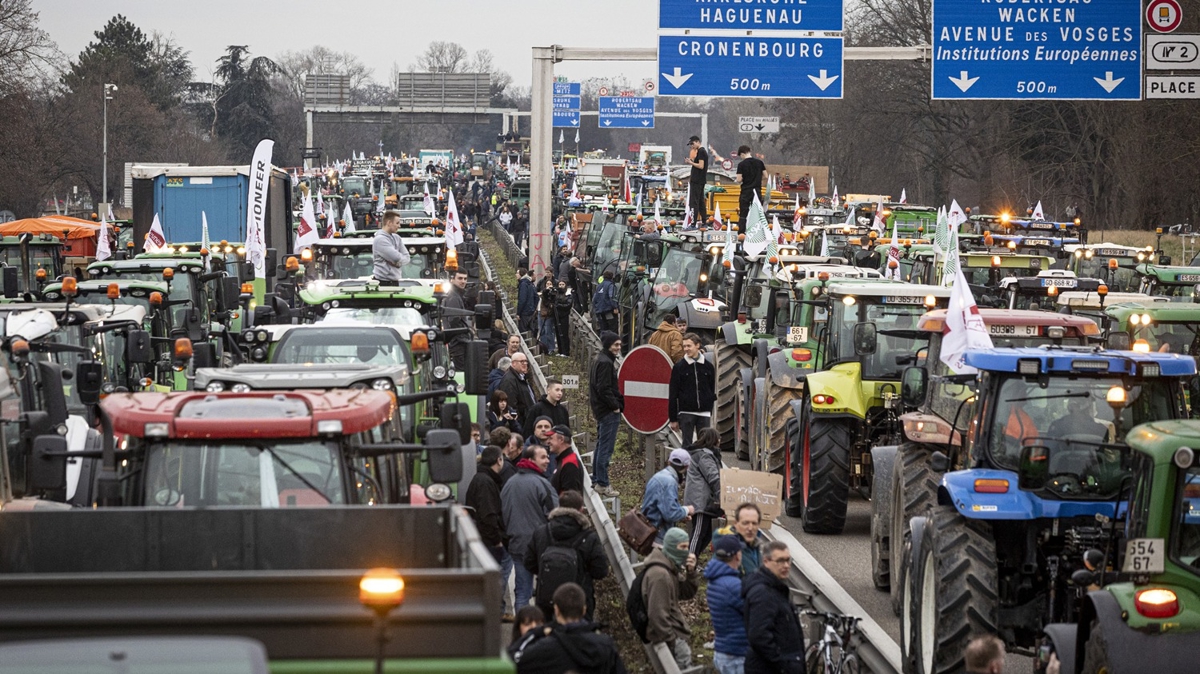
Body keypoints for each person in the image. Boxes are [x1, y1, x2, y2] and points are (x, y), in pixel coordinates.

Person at [524, 490, 608, 621]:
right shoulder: (589, 537)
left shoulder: (542, 532)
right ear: (581, 510)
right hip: (579, 602)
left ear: (559, 507)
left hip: (547, 601)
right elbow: (601, 570)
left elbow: (529, 562)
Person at [514, 583, 627, 674]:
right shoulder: (605, 645)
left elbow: (512, 659)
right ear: (584, 610)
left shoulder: (546, 647)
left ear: (556, 610)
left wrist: (537, 631)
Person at [501, 445, 559, 611]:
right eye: (543, 457)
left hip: (516, 544)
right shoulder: (542, 484)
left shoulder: (509, 484)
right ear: (531, 460)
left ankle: (522, 630)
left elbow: (503, 514)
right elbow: (554, 514)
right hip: (541, 546)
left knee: (522, 592)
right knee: (546, 593)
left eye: (548, 456)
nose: (548, 460)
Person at [466, 446, 513, 621]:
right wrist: (496, 540)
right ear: (499, 460)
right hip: (489, 540)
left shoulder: (481, 478)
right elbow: (488, 514)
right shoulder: (486, 482)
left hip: (485, 538)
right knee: (496, 575)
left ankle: (496, 609)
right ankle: (495, 611)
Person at [641, 527, 700, 670]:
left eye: (687, 547)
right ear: (672, 547)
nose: (686, 552)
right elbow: (657, 614)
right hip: (671, 638)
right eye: (682, 547)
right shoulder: (660, 575)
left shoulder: (669, 566)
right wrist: (672, 640)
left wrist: (691, 573)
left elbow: (685, 592)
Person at [743, 540, 804, 674]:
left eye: (788, 560)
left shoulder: (776, 588)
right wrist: (783, 665)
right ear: (766, 561)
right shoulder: (763, 593)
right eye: (780, 561)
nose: (786, 565)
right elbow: (759, 636)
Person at [705, 535, 749, 674]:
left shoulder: (715, 578)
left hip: (723, 650)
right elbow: (753, 611)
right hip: (737, 654)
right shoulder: (733, 586)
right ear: (736, 555)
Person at [588, 332, 624, 497]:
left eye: (619, 345)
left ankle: (596, 480)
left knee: (601, 445)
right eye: (615, 345)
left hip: (601, 409)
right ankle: (602, 483)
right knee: (606, 448)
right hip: (607, 410)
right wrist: (615, 406)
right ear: (608, 345)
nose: (618, 348)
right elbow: (604, 388)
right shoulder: (606, 363)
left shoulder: (600, 359)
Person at [669, 333, 717, 447]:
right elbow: (672, 394)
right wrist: (673, 419)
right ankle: (686, 465)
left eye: (689, 346)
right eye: (684, 346)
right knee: (686, 445)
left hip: (704, 413)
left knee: (705, 446)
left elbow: (711, 388)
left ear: (697, 345)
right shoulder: (679, 367)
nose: (686, 349)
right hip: (686, 413)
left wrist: (708, 408)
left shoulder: (708, 367)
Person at [641, 449, 695, 544]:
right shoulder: (670, 482)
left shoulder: (659, 476)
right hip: (658, 536)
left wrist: (681, 514)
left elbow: (664, 506)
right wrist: (687, 510)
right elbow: (671, 514)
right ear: (686, 467)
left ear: (669, 462)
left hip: (648, 529)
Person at [684, 428, 723, 555]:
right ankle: (688, 563)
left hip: (705, 501)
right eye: (718, 438)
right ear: (713, 439)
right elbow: (713, 477)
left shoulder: (704, 454)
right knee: (698, 533)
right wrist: (723, 496)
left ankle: (692, 560)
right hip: (701, 502)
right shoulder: (705, 456)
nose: (720, 440)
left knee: (705, 534)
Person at [713, 503, 767, 577]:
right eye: (745, 523)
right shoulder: (727, 548)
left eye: (754, 523)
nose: (750, 528)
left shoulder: (756, 547)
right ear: (736, 523)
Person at [498, 353, 537, 429]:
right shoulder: (509, 380)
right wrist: (519, 426)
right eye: (522, 362)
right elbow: (511, 405)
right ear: (513, 363)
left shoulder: (522, 377)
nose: (525, 364)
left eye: (526, 361)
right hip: (522, 425)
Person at [372, 211, 412, 284]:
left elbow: (407, 257)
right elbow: (396, 257)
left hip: (395, 281)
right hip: (382, 283)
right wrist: (398, 260)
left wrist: (397, 263)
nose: (399, 226)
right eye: (397, 223)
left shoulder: (397, 238)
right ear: (389, 223)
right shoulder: (380, 240)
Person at [734, 145, 766, 226]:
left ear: (742, 154)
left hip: (746, 191)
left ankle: (742, 232)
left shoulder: (741, 164)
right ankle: (757, 232)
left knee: (743, 214)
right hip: (757, 191)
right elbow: (766, 176)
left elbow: (739, 179)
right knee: (757, 213)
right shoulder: (760, 163)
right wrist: (757, 179)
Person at [547, 425, 583, 496]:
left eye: (551, 438)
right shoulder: (563, 460)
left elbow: (571, 498)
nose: (548, 442)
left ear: (561, 439)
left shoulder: (570, 463)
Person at [686, 136, 709, 225]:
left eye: (692, 144)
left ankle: (693, 223)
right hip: (700, 180)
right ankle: (704, 221)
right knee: (700, 202)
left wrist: (691, 162)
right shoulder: (701, 152)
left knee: (694, 202)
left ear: (697, 142)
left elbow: (701, 166)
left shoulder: (701, 151)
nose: (692, 146)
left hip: (697, 180)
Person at [553, 279, 573, 357]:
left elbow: (568, 305)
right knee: (558, 333)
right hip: (556, 315)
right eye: (560, 284)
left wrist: (558, 305)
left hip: (564, 316)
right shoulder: (556, 294)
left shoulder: (568, 294)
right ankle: (560, 350)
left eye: (562, 284)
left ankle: (566, 352)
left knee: (564, 334)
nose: (561, 286)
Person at [518, 268, 538, 334]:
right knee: (531, 331)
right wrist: (534, 308)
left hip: (525, 312)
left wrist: (518, 313)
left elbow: (522, 299)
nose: (516, 275)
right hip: (531, 310)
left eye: (517, 273)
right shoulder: (531, 284)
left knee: (523, 331)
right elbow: (536, 297)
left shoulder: (523, 284)